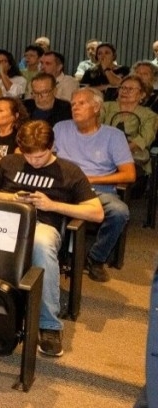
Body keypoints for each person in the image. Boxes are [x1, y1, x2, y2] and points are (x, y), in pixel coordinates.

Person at [0, 120, 103, 358]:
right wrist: (12, 198)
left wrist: (52, 205)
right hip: (4, 222)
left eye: (41, 156)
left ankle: (49, 325)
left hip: (41, 225)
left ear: (52, 146)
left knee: (41, 245)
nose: (34, 161)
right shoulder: (10, 162)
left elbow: (96, 212)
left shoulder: (69, 171)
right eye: (29, 156)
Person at [54, 88, 135, 282]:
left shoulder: (113, 136)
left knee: (119, 211)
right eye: (73, 104)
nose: (75, 107)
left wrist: (90, 179)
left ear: (97, 107)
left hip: (97, 190)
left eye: (82, 103)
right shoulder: (60, 128)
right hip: (64, 187)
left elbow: (129, 174)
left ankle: (96, 258)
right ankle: (53, 254)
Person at [102, 75, 158, 176]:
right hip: (102, 151)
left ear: (142, 95)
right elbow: (93, 128)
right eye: (123, 88)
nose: (125, 91)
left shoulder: (150, 116)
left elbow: (144, 139)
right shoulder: (105, 107)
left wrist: (119, 152)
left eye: (131, 89)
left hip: (134, 156)